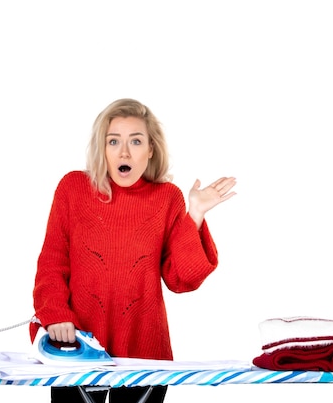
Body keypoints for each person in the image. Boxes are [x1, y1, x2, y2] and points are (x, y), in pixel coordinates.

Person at [31, 98, 236, 402]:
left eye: (135, 141)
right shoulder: (72, 189)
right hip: (76, 345)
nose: (124, 152)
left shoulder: (167, 198)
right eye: (113, 141)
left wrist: (195, 215)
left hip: (145, 352)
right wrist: (57, 314)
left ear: (150, 150)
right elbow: (52, 261)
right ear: (103, 148)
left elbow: (181, 279)